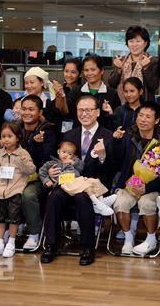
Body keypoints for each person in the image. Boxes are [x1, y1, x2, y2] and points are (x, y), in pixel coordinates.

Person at [41, 95, 114, 266]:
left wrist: (103, 156)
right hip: (68, 182)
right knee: (55, 196)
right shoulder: (69, 134)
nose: (84, 113)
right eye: (81, 110)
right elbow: (60, 158)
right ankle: (51, 244)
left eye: (89, 110)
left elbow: (112, 169)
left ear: (97, 112)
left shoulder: (108, 136)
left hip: (92, 186)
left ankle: (88, 247)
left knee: (83, 199)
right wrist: (52, 171)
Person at [0, 94, 57, 251]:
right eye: (24, 109)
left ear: (40, 112)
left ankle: (34, 233)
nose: (27, 112)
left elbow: (45, 160)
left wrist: (37, 145)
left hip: (35, 177)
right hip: (10, 177)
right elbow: (1, 152)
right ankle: (1, 234)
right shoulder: (14, 128)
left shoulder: (47, 130)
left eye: (31, 109)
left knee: (28, 195)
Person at [111, 101, 160, 256]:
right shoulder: (127, 136)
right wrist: (116, 142)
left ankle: (151, 239)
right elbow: (116, 162)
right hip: (129, 184)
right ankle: (128, 238)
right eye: (140, 115)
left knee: (146, 203)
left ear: (157, 120)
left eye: (148, 116)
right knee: (121, 203)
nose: (143, 120)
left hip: (153, 187)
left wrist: (148, 188)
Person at [0, 122, 36, 258]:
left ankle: (11, 243)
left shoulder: (22, 153)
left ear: (17, 138)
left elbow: (31, 170)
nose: (6, 139)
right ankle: (0, 242)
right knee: (0, 218)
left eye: (10, 136)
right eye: (3, 136)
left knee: (14, 219)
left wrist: (25, 161)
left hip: (15, 190)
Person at [38, 141, 115, 216]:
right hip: (66, 182)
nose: (66, 155)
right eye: (64, 152)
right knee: (87, 187)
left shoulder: (74, 161)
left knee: (95, 181)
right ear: (58, 151)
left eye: (69, 154)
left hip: (77, 180)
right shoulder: (51, 163)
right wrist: (46, 180)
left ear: (73, 155)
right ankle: (97, 204)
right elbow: (42, 171)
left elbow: (81, 168)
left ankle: (101, 201)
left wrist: (73, 162)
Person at [59, 55, 120, 129]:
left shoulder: (112, 93)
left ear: (102, 71)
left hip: (103, 137)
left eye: (93, 69)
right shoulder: (76, 91)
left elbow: (117, 120)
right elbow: (66, 112)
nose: (89, 73)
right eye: (86, 70)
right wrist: (61, 98)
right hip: (79, 136)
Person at [109, 26, 159, 103]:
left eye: (138, 41)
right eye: (131, 41)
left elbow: (154, 86)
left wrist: (145, 68)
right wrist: (118, 69)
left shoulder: (152, 61)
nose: (134, 44)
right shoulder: (120, 60)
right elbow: (112, 84)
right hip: (122, 106)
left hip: (145, 106)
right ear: (127, 43)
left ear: (145, 43)